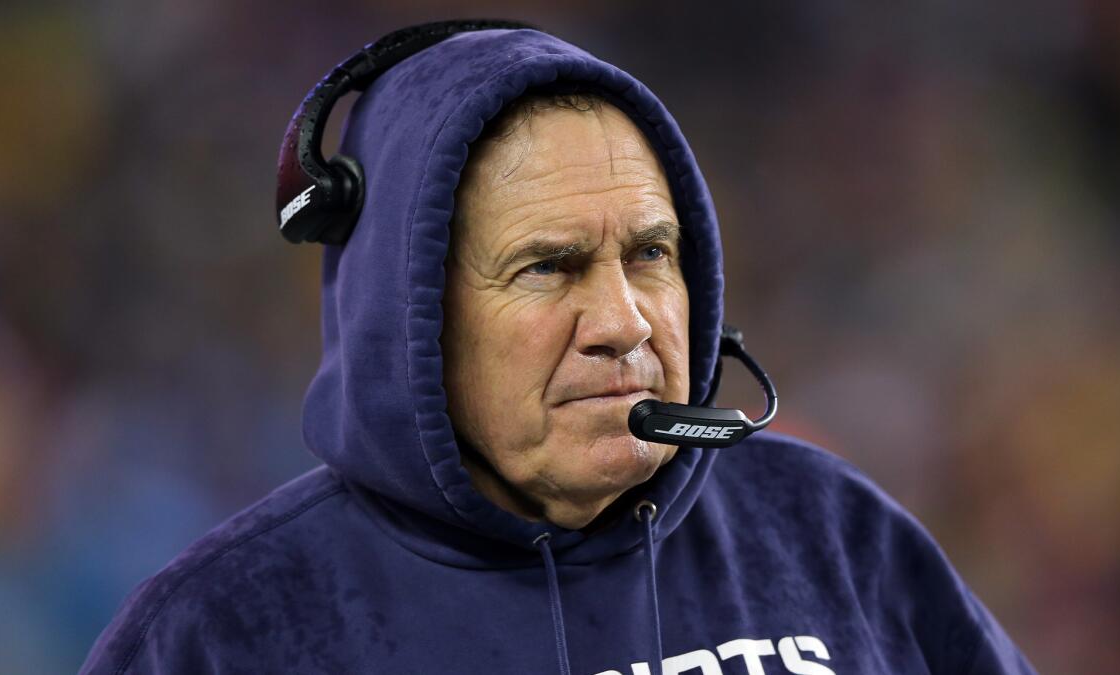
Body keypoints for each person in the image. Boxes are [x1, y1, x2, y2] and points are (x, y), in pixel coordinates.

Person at [80, 23, 1036, 675]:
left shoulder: (831, 537)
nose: (623, 321)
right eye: (550, 266)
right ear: (409, 321)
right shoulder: (220, 634)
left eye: (652, 254)